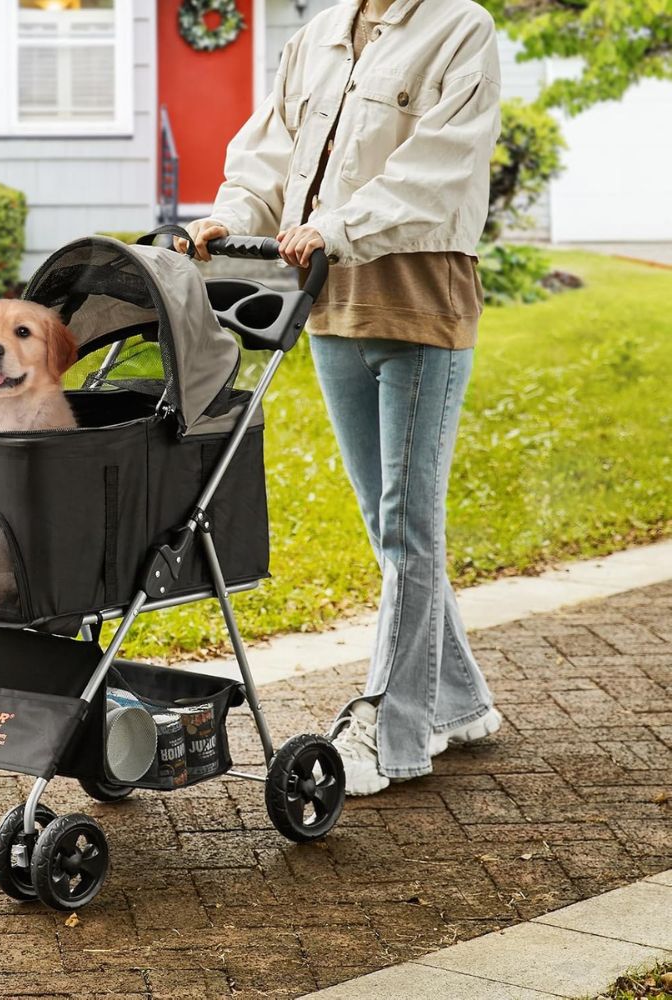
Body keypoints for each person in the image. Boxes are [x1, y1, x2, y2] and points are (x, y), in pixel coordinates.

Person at [176, 0, 503, 795]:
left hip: (418, 299)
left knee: (407, 526)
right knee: (387, 525)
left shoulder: (460, 27)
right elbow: (270, 151)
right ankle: (460, 703)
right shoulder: (318, 34)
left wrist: (339, 225)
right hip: (327, 301)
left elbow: (442, 164)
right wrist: (229, 217)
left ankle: (390, 733)